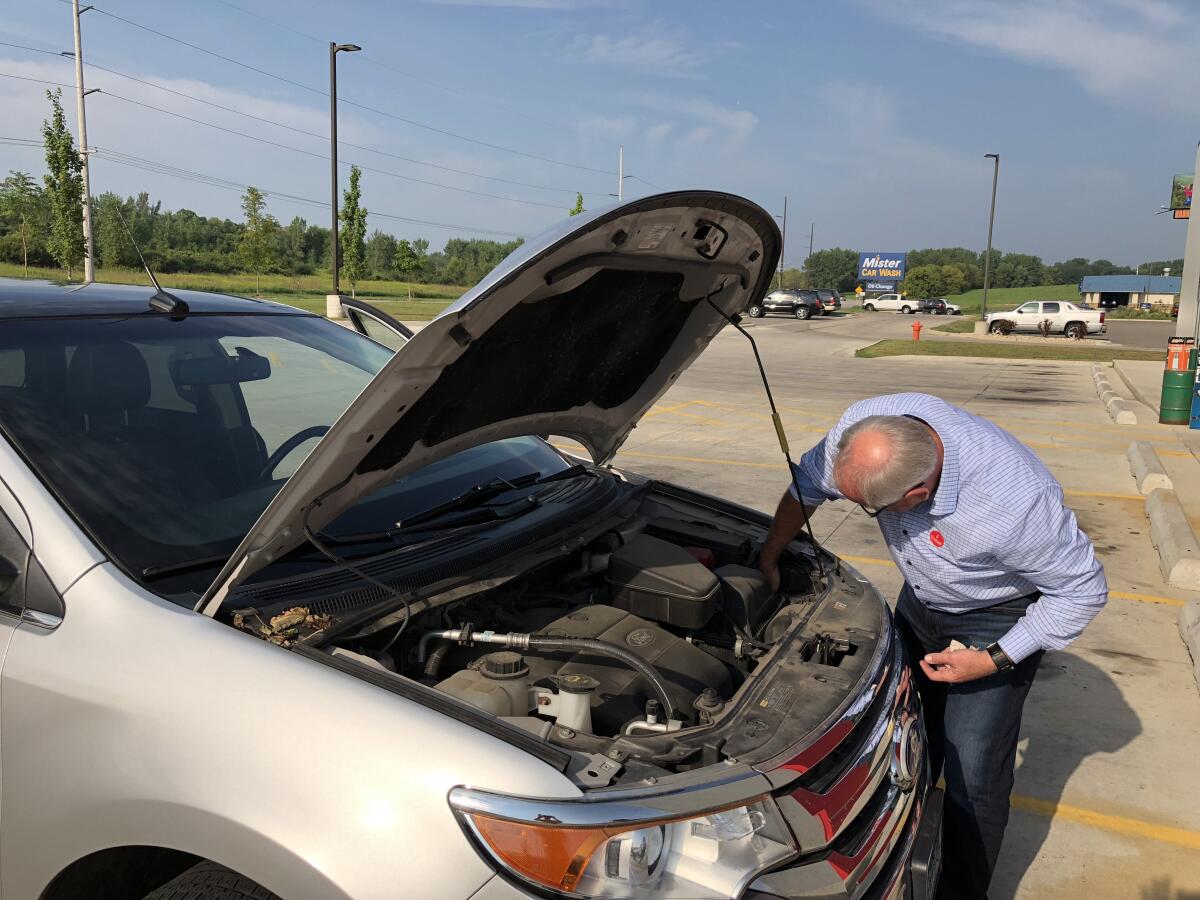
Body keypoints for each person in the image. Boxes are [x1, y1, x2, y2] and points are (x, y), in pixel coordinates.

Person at [757, 392, 1107, 900]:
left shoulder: (1014, 505)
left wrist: (993, 660)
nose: (858, 510)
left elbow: (1082, 589)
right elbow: (808, 485)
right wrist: (770, 553)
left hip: (998, 615)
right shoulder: (865, 428)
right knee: (901, 733)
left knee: (973, 770)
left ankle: (963, 889)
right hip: (922, 598)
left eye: (868, 508)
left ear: (918, 495)